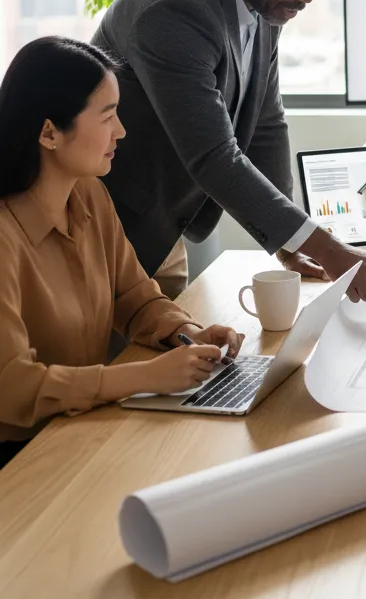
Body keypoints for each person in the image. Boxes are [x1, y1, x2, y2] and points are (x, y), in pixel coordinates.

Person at [92, 0, 366, 304]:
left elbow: (267, 123)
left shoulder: (265, 3)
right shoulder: (175, 10)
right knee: (113, 364)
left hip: (165, 232)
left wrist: (290, 243)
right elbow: (215, 156)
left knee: (175, 354)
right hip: (107, 229)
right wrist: (330, 251)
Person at [0, 38, 243, 470]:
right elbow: (12, 388)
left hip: (80, 428)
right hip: (20, 456)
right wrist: (145, 377)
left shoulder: (90, 194)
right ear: (49, 132)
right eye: (108, 116)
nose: (122, 131)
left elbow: (133, 296)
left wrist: (187, 332)